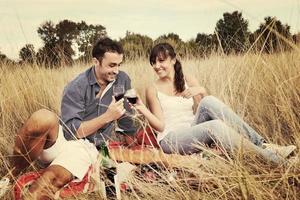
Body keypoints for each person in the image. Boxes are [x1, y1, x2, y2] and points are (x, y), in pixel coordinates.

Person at [11, 38, 137, 199]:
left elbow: (125, 113)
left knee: (40, 189)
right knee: (42, 117)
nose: (116, 70)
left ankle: (51, 174)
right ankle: (12, 174)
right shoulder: (77, 85)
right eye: (111, 65)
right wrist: (107, 117)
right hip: (65, 138)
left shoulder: (122, 79)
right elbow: (73, 132)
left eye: (119, 64)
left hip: (87, 147)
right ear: (95, 62)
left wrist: (132, 143)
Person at [132, 42, 296, 164]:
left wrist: (200, 90)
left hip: (193, 128)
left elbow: (204, 109)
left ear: (173, 60)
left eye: (161, 61)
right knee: (215, 126)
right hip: (171, 139)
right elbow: (160, 126)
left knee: (209, 100)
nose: (157, 66)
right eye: (153, 62)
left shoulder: (188, 79)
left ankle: (262, 145)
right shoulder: (152, 89)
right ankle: (276, 161)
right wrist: (141, 108)